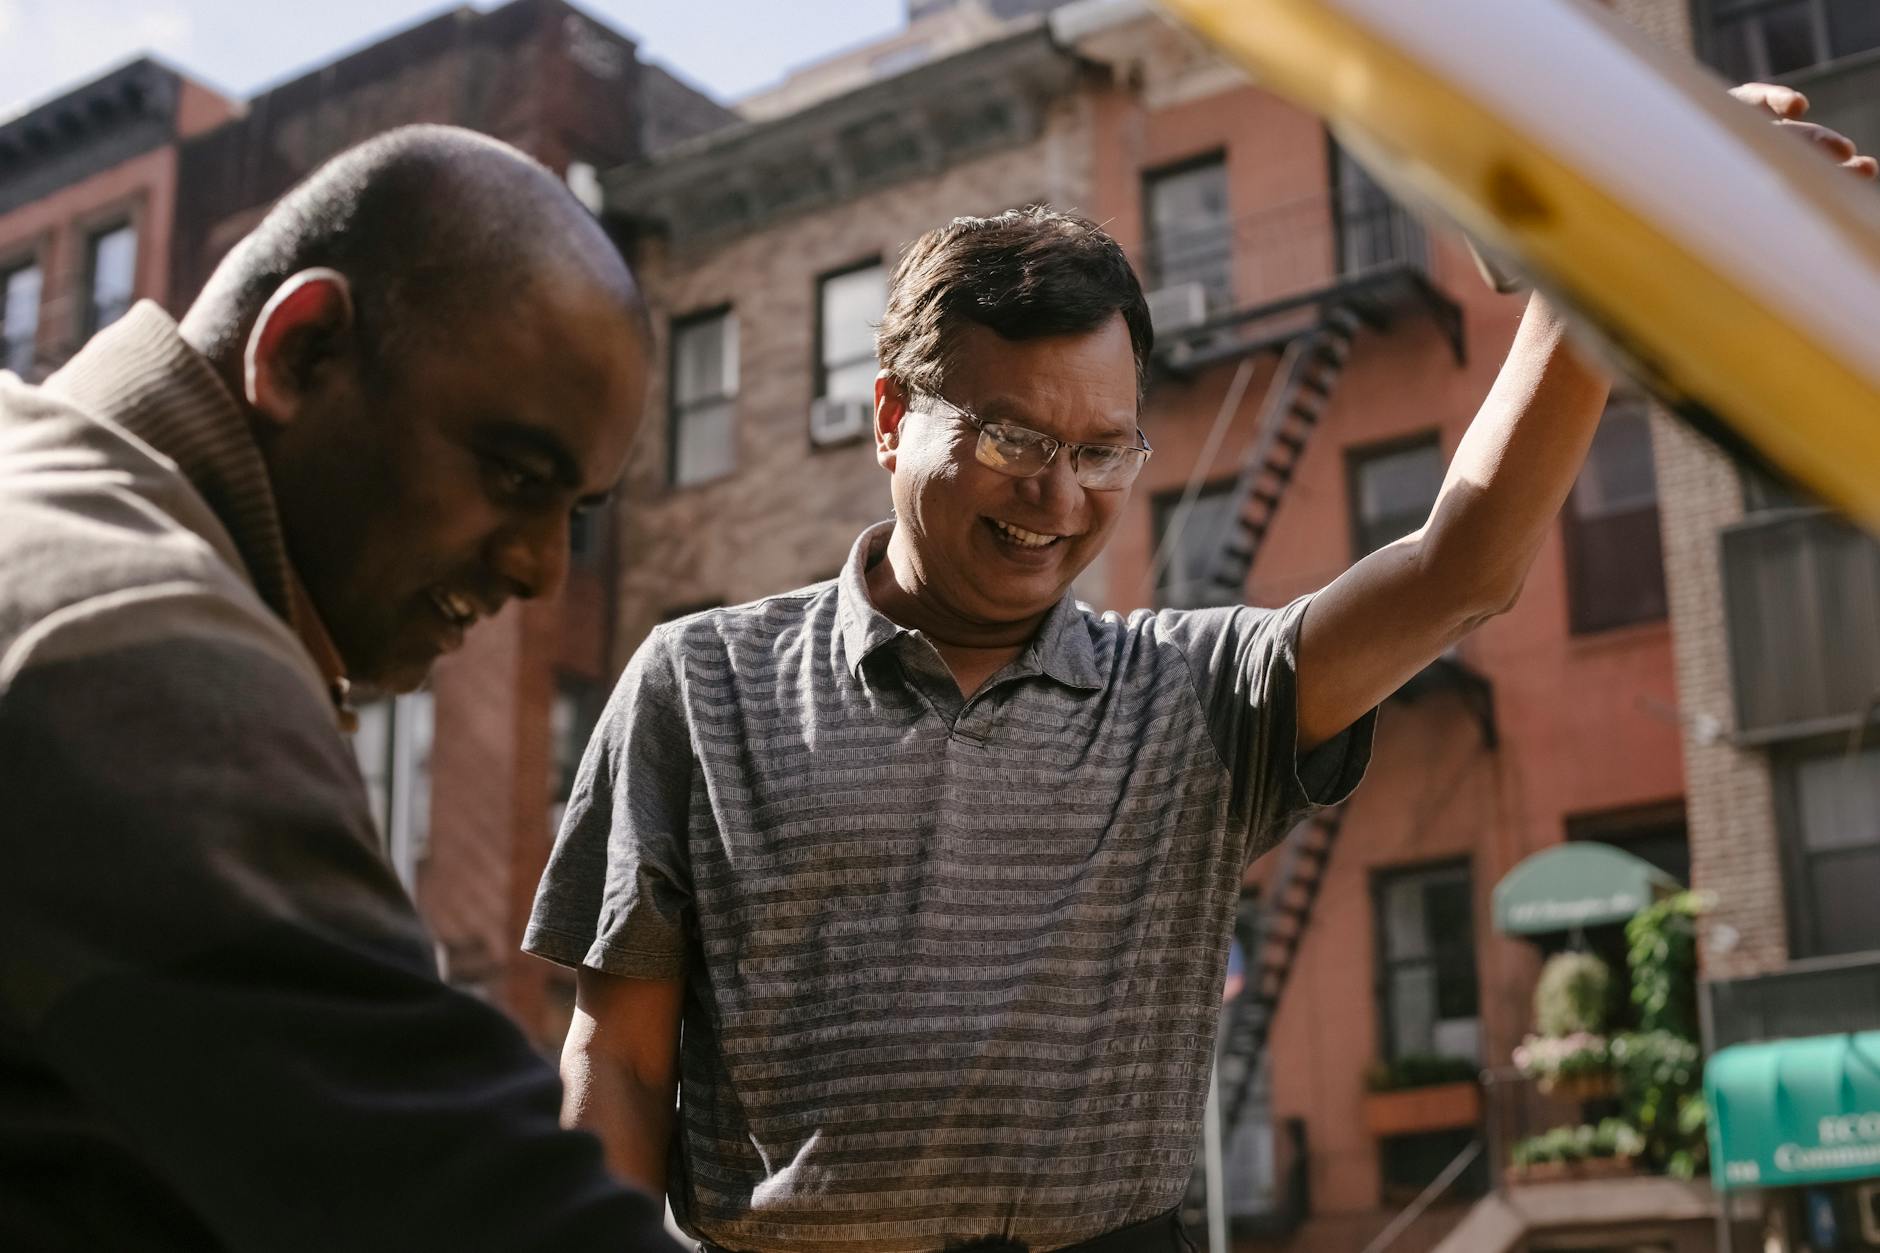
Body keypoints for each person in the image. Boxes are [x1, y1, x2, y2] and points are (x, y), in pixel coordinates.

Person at [524, 89, 1873, 1253]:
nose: (1059, 494)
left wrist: (1609, 268)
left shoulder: (1189, 695)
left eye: (1105, 447)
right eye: (1011, 436)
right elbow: (622, 1061)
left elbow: (1463, 566)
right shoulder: (694, 686)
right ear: (893, 417)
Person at [0, 126, 678, 1251]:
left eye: (576, 515)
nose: (539, 569)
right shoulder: (130, 632)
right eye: (513, 476)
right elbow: (468, 1206)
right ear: (302, 350)